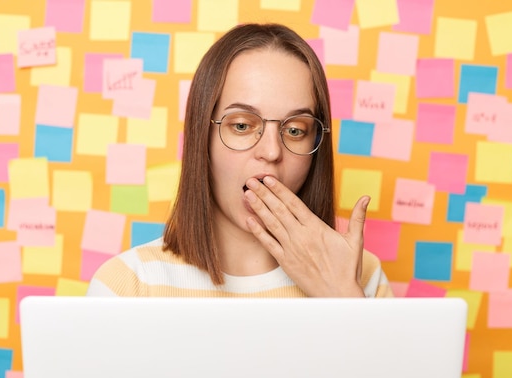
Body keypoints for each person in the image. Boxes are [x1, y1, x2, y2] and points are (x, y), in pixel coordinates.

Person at [86, 23, 393, 298]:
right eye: (242, 126)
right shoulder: (126, 286)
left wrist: (341, 296)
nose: (271, 152)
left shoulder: (361, 277)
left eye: (296, 129)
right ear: (200, 137)